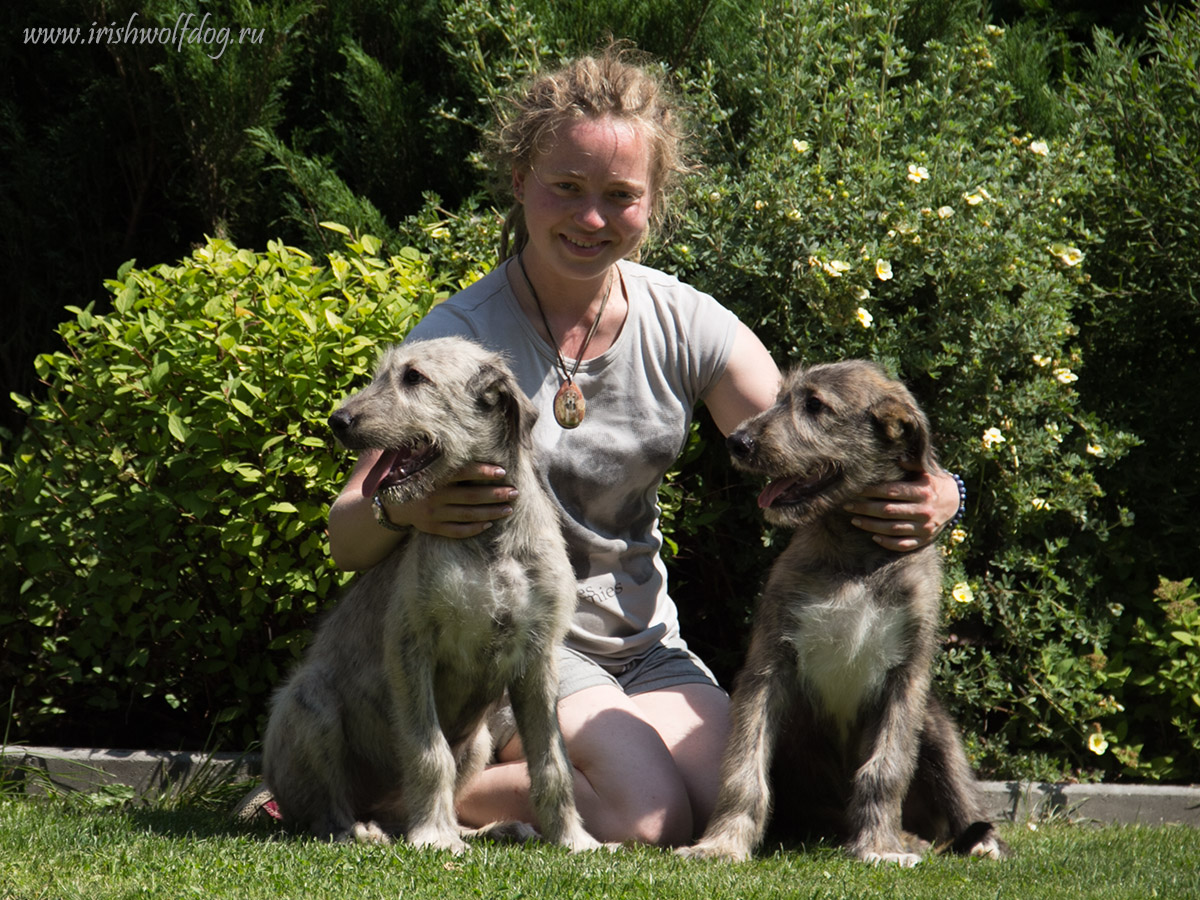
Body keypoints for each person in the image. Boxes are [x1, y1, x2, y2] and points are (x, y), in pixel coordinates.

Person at [326, 47, 963, 847]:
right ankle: (428, 791)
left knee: (722, 801)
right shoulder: (461, 342)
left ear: (652, 204)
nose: (591, 217)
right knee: (649, 814)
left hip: (648, 647)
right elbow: (347, 533)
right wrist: (407, 506)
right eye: (566, 187)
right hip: (530, 642)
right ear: (520, 181)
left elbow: (818, 442)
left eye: (620, 196)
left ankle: (554, 778)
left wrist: (943, 489)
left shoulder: (686, 322)